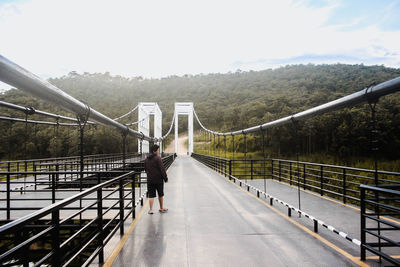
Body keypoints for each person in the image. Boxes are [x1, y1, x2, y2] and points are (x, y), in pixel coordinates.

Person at [144, 144, 168, 214]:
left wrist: (149, 175)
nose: (158, 151)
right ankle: (161, 208)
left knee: (151, 195)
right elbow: (162, 169)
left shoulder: (146, 159)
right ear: (154, 151)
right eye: (158, 150)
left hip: (150, 180)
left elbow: (145, 169)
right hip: (158, 180)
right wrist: (165, 178)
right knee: (160, 194)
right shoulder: (158, 158)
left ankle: (151, 210)